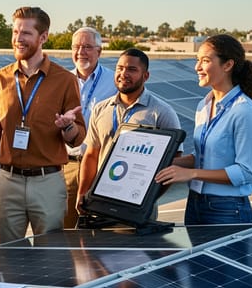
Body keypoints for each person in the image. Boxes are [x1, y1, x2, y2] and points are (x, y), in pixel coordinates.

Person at [0, 7, 85, 244]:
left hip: (47, 182)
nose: (18, 38)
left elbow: (77, 138)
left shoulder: (65, 80)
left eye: (26, 33)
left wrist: (67, 126)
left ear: (43, 37)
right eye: (15, 32)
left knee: (51, 256)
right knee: (7, 254)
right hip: (8, 181)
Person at [155, 34, 252, 224]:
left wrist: (192, 173)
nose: (197, 67)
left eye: (205, 61)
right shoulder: (204, 105)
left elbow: (245, 172)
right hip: (195, 204)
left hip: (227, 209)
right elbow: (203, 156)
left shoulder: (245, 112)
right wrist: (163, 162)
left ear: (227, 65)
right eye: (197, 60)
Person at [76, 49, 182, 216]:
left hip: (136, 206)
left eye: (132, 69)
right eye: (120, 68)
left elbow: (172, 163)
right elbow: (91, 154)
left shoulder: (161, 112)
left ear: (145, 76)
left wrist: (148, 200)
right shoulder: (100, 109)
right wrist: (83, 191)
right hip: (101, 200)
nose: (123, 74)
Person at [63, 27, 116, 228]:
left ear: (99, 51)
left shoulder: (114, 82)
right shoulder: (61, 81)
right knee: (65, 230)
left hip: (100, 166)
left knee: (100, 230)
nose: (80, 52)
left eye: (87, 47)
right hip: (67, 166)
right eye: (76, 47)